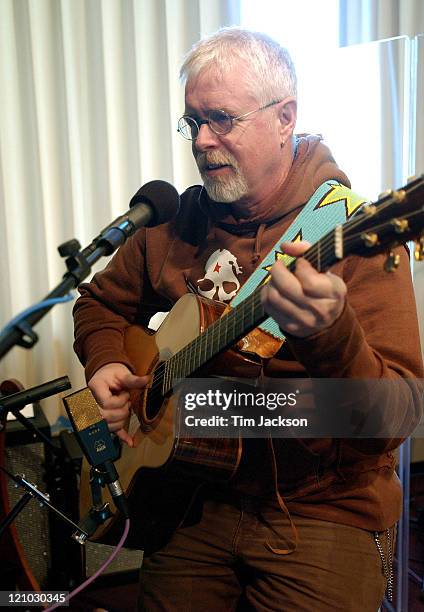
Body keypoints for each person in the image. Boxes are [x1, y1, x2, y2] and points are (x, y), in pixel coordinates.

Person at [73, 27, 423, 611]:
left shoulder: (352, 236)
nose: (202, 142)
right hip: (186, 499)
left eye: (222, 119)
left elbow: (398, 414)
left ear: (284, 118)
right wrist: (107, 361)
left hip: (318, 511)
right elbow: (98, 303)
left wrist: (328, 337)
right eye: (192, 122)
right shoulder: (173, 223)